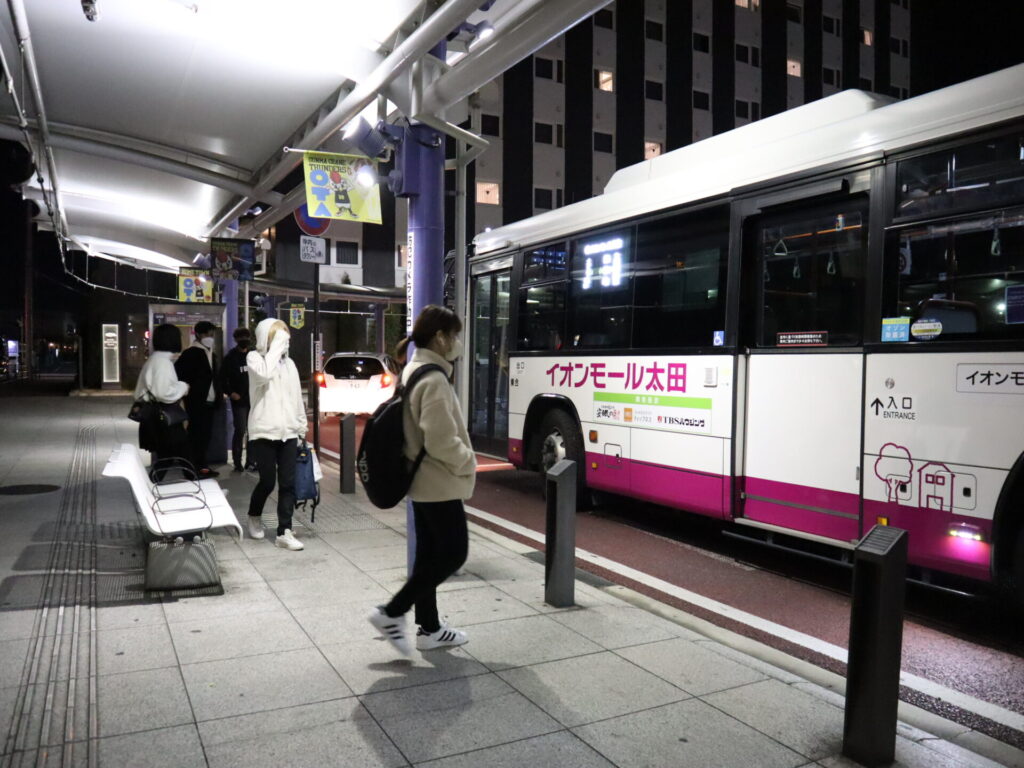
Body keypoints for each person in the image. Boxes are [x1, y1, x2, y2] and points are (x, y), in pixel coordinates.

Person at [368, 305, 476, 654]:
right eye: (454, 335)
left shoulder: (414, 369)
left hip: (421, 482)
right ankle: (392, 611)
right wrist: (467, 461)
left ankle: (429, 629)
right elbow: (441, 440)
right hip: (439, 481)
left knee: (429, 556)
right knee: (453, 554)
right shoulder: (434, 380)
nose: (457, 342)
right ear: (441, 337)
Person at [246, 318, 307, 551]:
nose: (285, 341)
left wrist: (301, 427)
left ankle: (284, 531)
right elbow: (262, 376)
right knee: (267, 481)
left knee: (288, 483)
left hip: (288, 432)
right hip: (263, 431)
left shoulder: (289, 364)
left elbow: (295, 397)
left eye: (285, 336)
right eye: (279, 337)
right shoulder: (255, 359)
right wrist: (273, 350)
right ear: (267, 338)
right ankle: (254, 515)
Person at [134, 324, 190, 474]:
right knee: (179, 453)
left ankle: (155, 484)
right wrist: (183, 387)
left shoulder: (155, 359)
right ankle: (195, 485)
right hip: (165, 419)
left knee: (170, 455)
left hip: (156, 416)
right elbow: (163, 392)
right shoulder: (163, 363)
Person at [175, 321, 222, 478]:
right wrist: (188, 389)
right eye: (208, 334)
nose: (210, 337)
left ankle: (202, 466)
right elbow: (180, 374)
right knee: (196, 435)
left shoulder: (211, 353)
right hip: (196, 402)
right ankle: (192, 467)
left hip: (210, 401)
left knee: (205, 436)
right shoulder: (191, 353)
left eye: (212, 334)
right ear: (199, 335)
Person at [221, 326, 254, 472]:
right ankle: (237, 461)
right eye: (241, 338)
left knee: (252, 431)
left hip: (253, 399)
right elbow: (222, 379)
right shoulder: (230, 358)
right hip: (239, 401)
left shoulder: (254, 356)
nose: (244, 341)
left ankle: (251, 461)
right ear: (235, 340)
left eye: (246, 338)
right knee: (240, 430)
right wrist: (231, 393)